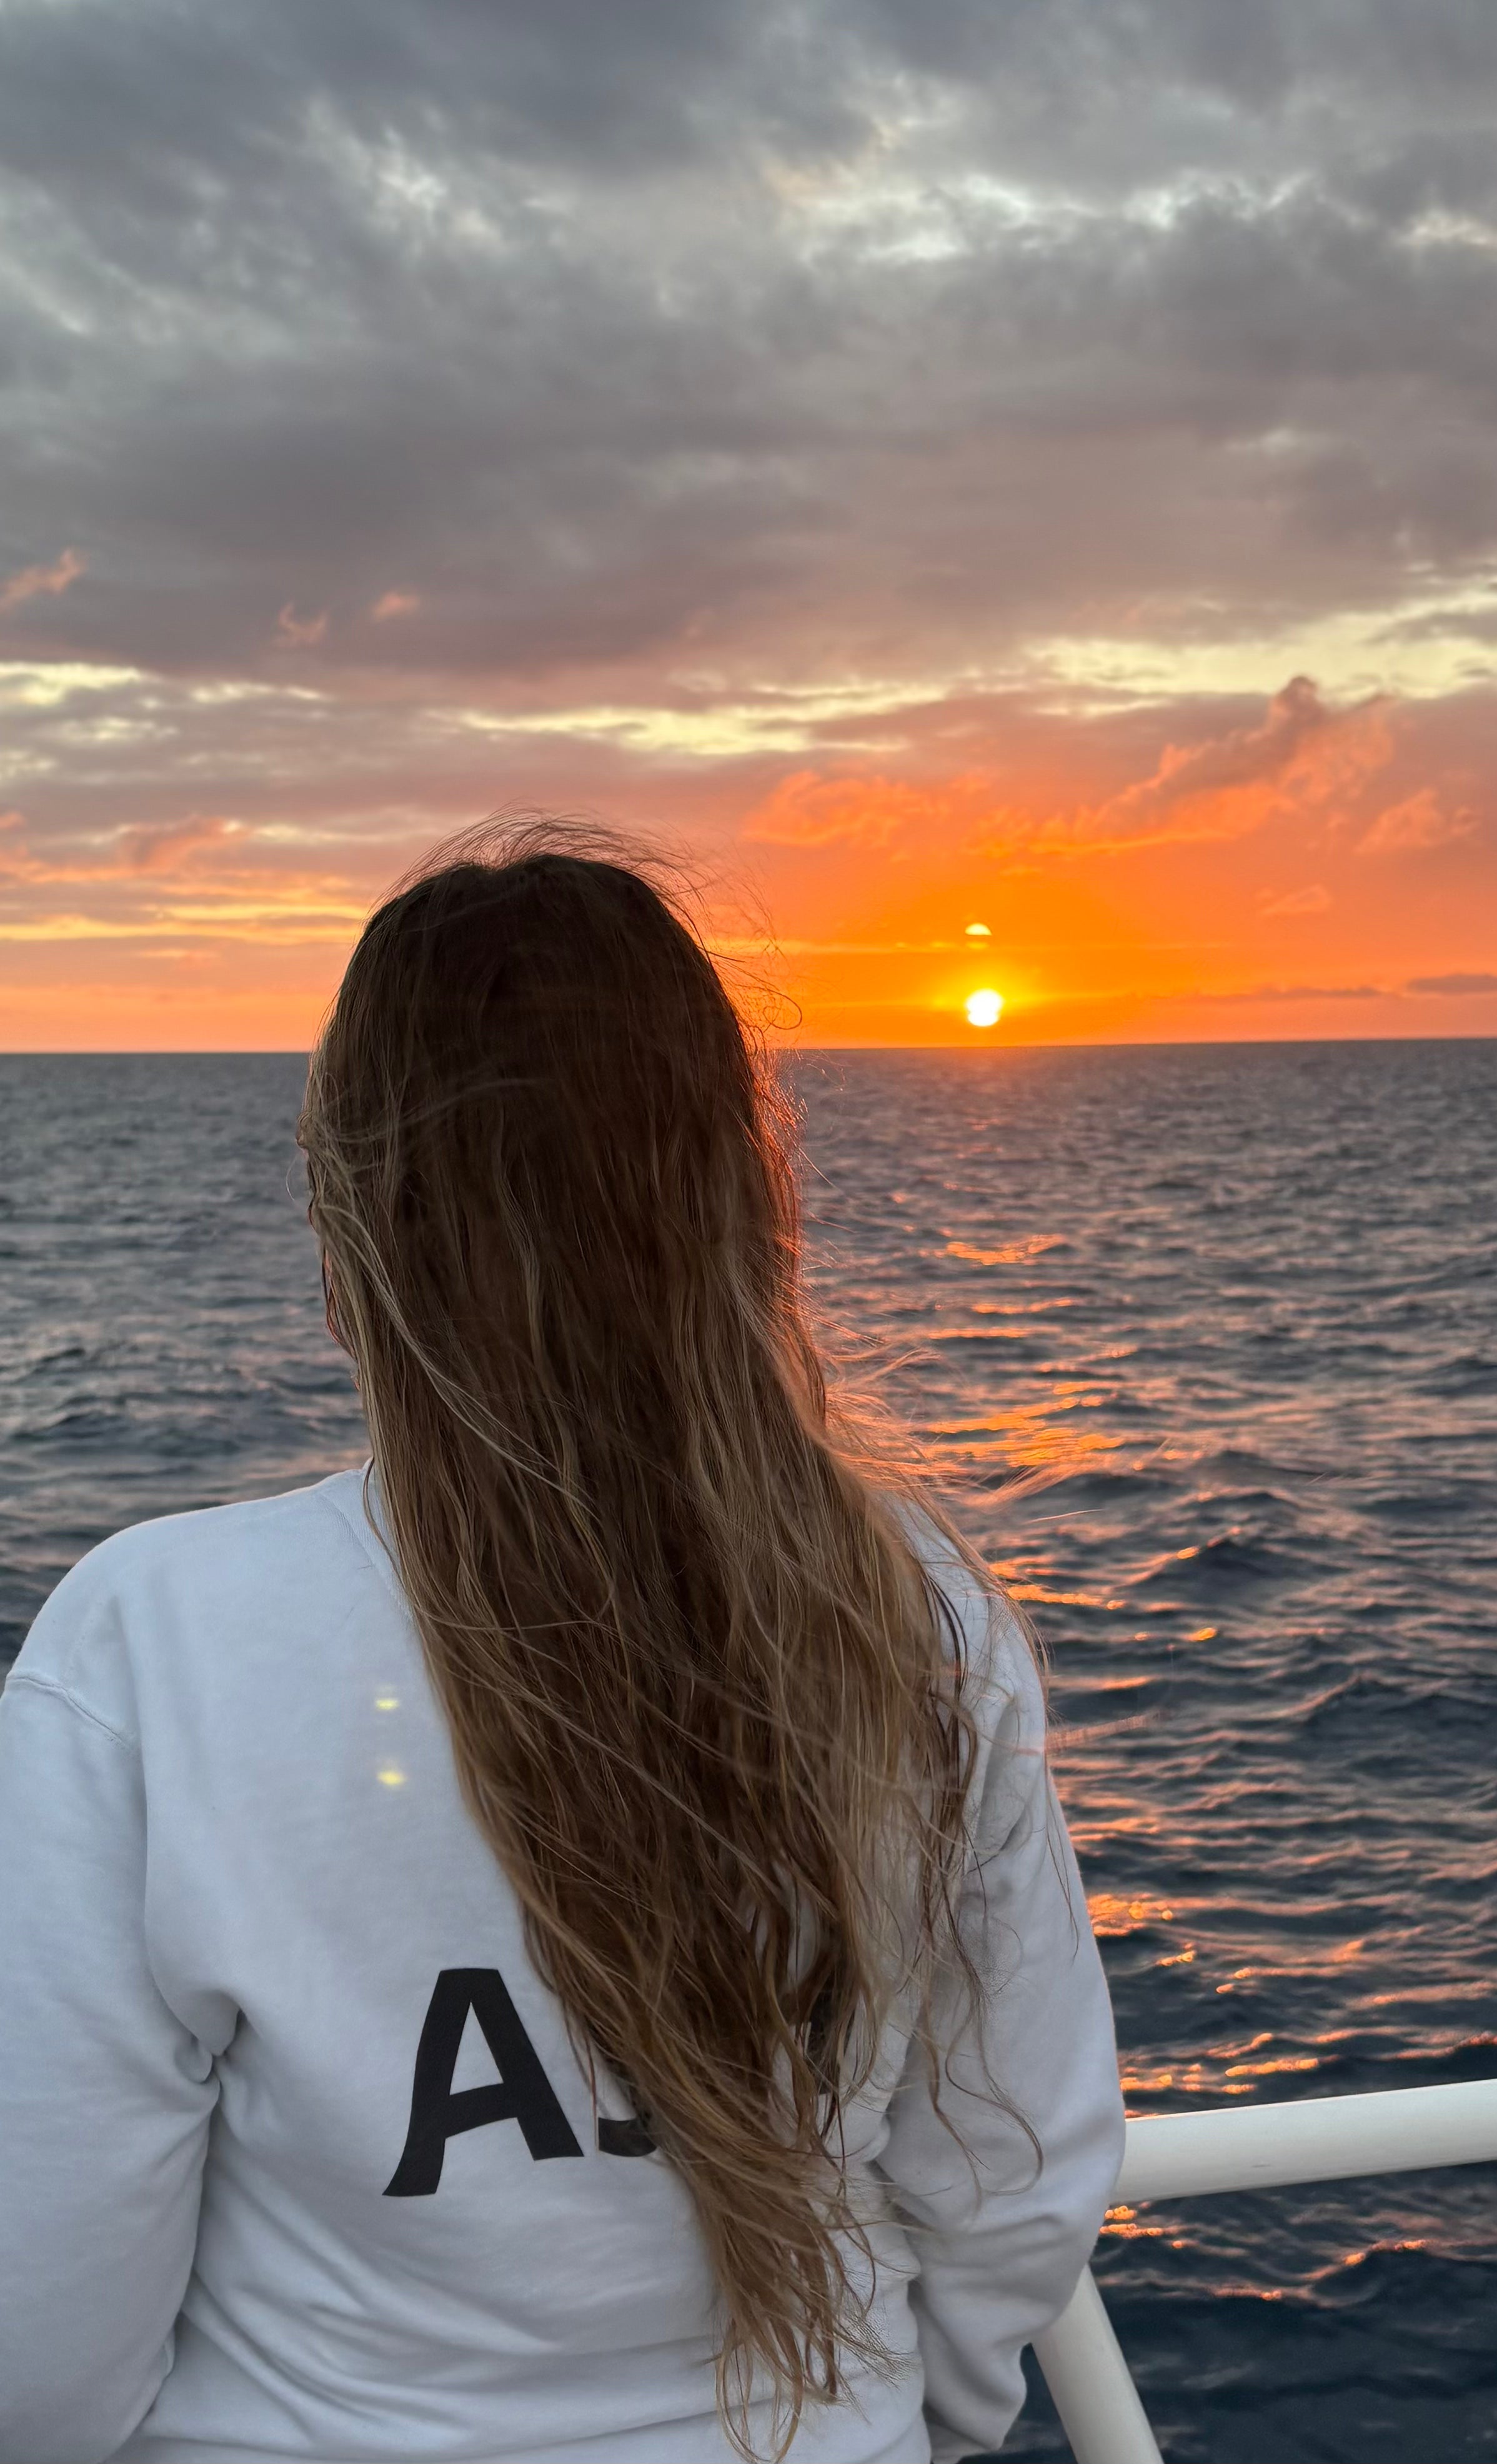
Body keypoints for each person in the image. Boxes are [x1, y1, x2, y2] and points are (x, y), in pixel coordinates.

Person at [0, 829, 1123, 2464]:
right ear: (746, 1199)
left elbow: (38, 2347)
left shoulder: (155, 1643)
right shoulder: (918, 1613)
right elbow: (1015, 2180)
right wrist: (898, 2428)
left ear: (349, 1228)